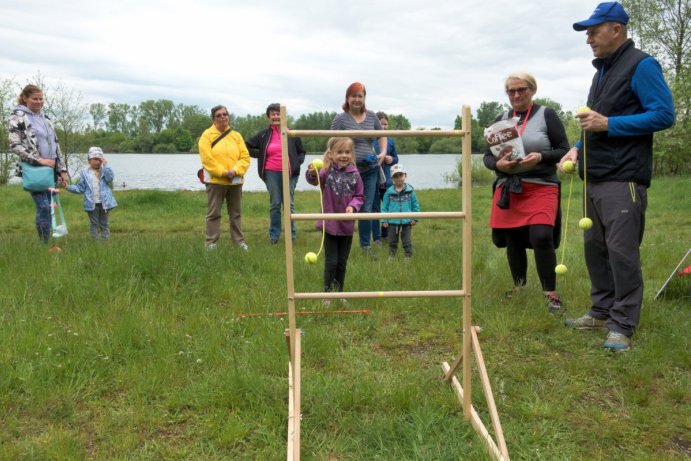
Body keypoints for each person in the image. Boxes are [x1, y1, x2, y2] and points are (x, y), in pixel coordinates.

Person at [561, 2, 675, 350]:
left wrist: (609, 124)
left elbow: (664, 115)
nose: (588, 40)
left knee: (621, 253)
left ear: (616, 29)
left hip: (623, 177)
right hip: (593, 177)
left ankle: (622, 324)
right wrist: (577, 147)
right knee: (595, 250)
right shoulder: (602, 72)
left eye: (593, 32)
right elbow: (594, 120)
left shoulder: (642, 65)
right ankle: (600, 311)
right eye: (587, 33)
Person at [483, 72, 570, 315]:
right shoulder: (500, 119)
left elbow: (564, 148)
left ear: (532, 90)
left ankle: (550, 294)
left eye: (521, 89)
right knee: (513, 239)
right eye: (511, 91)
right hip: (510, 187)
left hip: (542, 185)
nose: (516, 95)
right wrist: (498, 165)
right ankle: (519, 287)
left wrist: (542, 156)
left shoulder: (546, 114)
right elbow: (487, 158)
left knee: (542, 235)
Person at [330, 82, 387, 255]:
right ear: (347, 98)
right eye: (353, 96)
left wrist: (383, 152)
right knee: (342, 207)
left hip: (370, 169)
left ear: (364, 98)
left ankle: (365, 247)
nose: (357, 99)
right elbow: (331, 142)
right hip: (348, 171)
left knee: (366, 208)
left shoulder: (371, 116)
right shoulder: (340, 119)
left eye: (360, 96)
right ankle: (337, 242)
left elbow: (381, 135)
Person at [305, 137, 364, 302]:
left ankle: (339, 294)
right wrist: (311, 172)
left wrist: (353, 206)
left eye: (347, 152)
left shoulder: (355, 173)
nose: (344, 155)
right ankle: (327, 295)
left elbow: (360, 195)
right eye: (339, 152)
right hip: (329, 224)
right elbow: (314, 180)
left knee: (342, 263)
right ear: (331, 154)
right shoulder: (326, 170)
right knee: (331, 262)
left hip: (347, 225)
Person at [8, 84, 69, 243]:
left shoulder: (46, 118)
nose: (39, 102)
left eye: (41, 98)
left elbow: (56, 145)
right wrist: (39, 160)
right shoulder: (18, 116)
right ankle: (44, 244)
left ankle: (50, 241)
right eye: (35, 98)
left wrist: (62, 170)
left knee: (50, 208)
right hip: (34, 169)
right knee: (44, 207)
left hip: (51, 169)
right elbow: (14, 145)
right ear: (25, 98)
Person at [246, 103, 306, 244]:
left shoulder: (292, 133)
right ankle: (274, 236)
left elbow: (301, 152)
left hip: (290, 174)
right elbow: (246, 146)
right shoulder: (263, 135)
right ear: (269, 117)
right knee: (275, 204)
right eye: (273, 114)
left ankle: (291, 236)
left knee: (289, 204)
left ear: (283, 115)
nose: (276, 116)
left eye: (278, 113)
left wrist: (296, 164)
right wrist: (261, 154)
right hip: (271, 172)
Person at [198, 105, 251, 251]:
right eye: (219, 115)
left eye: (225, 114)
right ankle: (211, 243)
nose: (223, 117)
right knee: (214, 213)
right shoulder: (206, 135)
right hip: (216, 181)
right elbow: (207, 159)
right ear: (213, 119)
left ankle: (239, 242)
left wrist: (235, 170)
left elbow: (245, 157)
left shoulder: (237, 136)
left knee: (236, 213)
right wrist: (223, 172)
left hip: (235, 181)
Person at [66, 147, 117, 240]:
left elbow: (110, 178)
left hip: (104, 203)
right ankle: (95, 243)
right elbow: (80, 188)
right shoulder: (84, 173)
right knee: (94, 224)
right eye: (95, 159)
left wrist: (106, 166)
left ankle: (105, 242)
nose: (98, 162)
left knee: (104, 224)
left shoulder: (104, 171)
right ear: (89, 160)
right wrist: (68, 187)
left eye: (100, 160)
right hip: (91, 203)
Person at [371, 111, 399, 243]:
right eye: (381, 124)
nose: (383, 127)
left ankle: (385, 234)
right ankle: (376, 238)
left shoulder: (390, 141)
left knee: (387, 208)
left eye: (385, 124)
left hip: (387, 182)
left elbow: (396, 158)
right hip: (374, 181)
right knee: (375, 209)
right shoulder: (370, 140)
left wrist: (391, 159)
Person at [381, 164, 419, 260]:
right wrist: (384, 220)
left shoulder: (410, 191)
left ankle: (408, 257)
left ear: (405, 175)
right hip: (392, 222)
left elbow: (415, 206)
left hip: (407, 222)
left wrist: (415, 218)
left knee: (407, 241)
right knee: (392, 241)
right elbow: (384, 207)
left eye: (400, 175)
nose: (398, 178)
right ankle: (392, 256)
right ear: (392, 178)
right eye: (395, 176)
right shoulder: (388, 193)